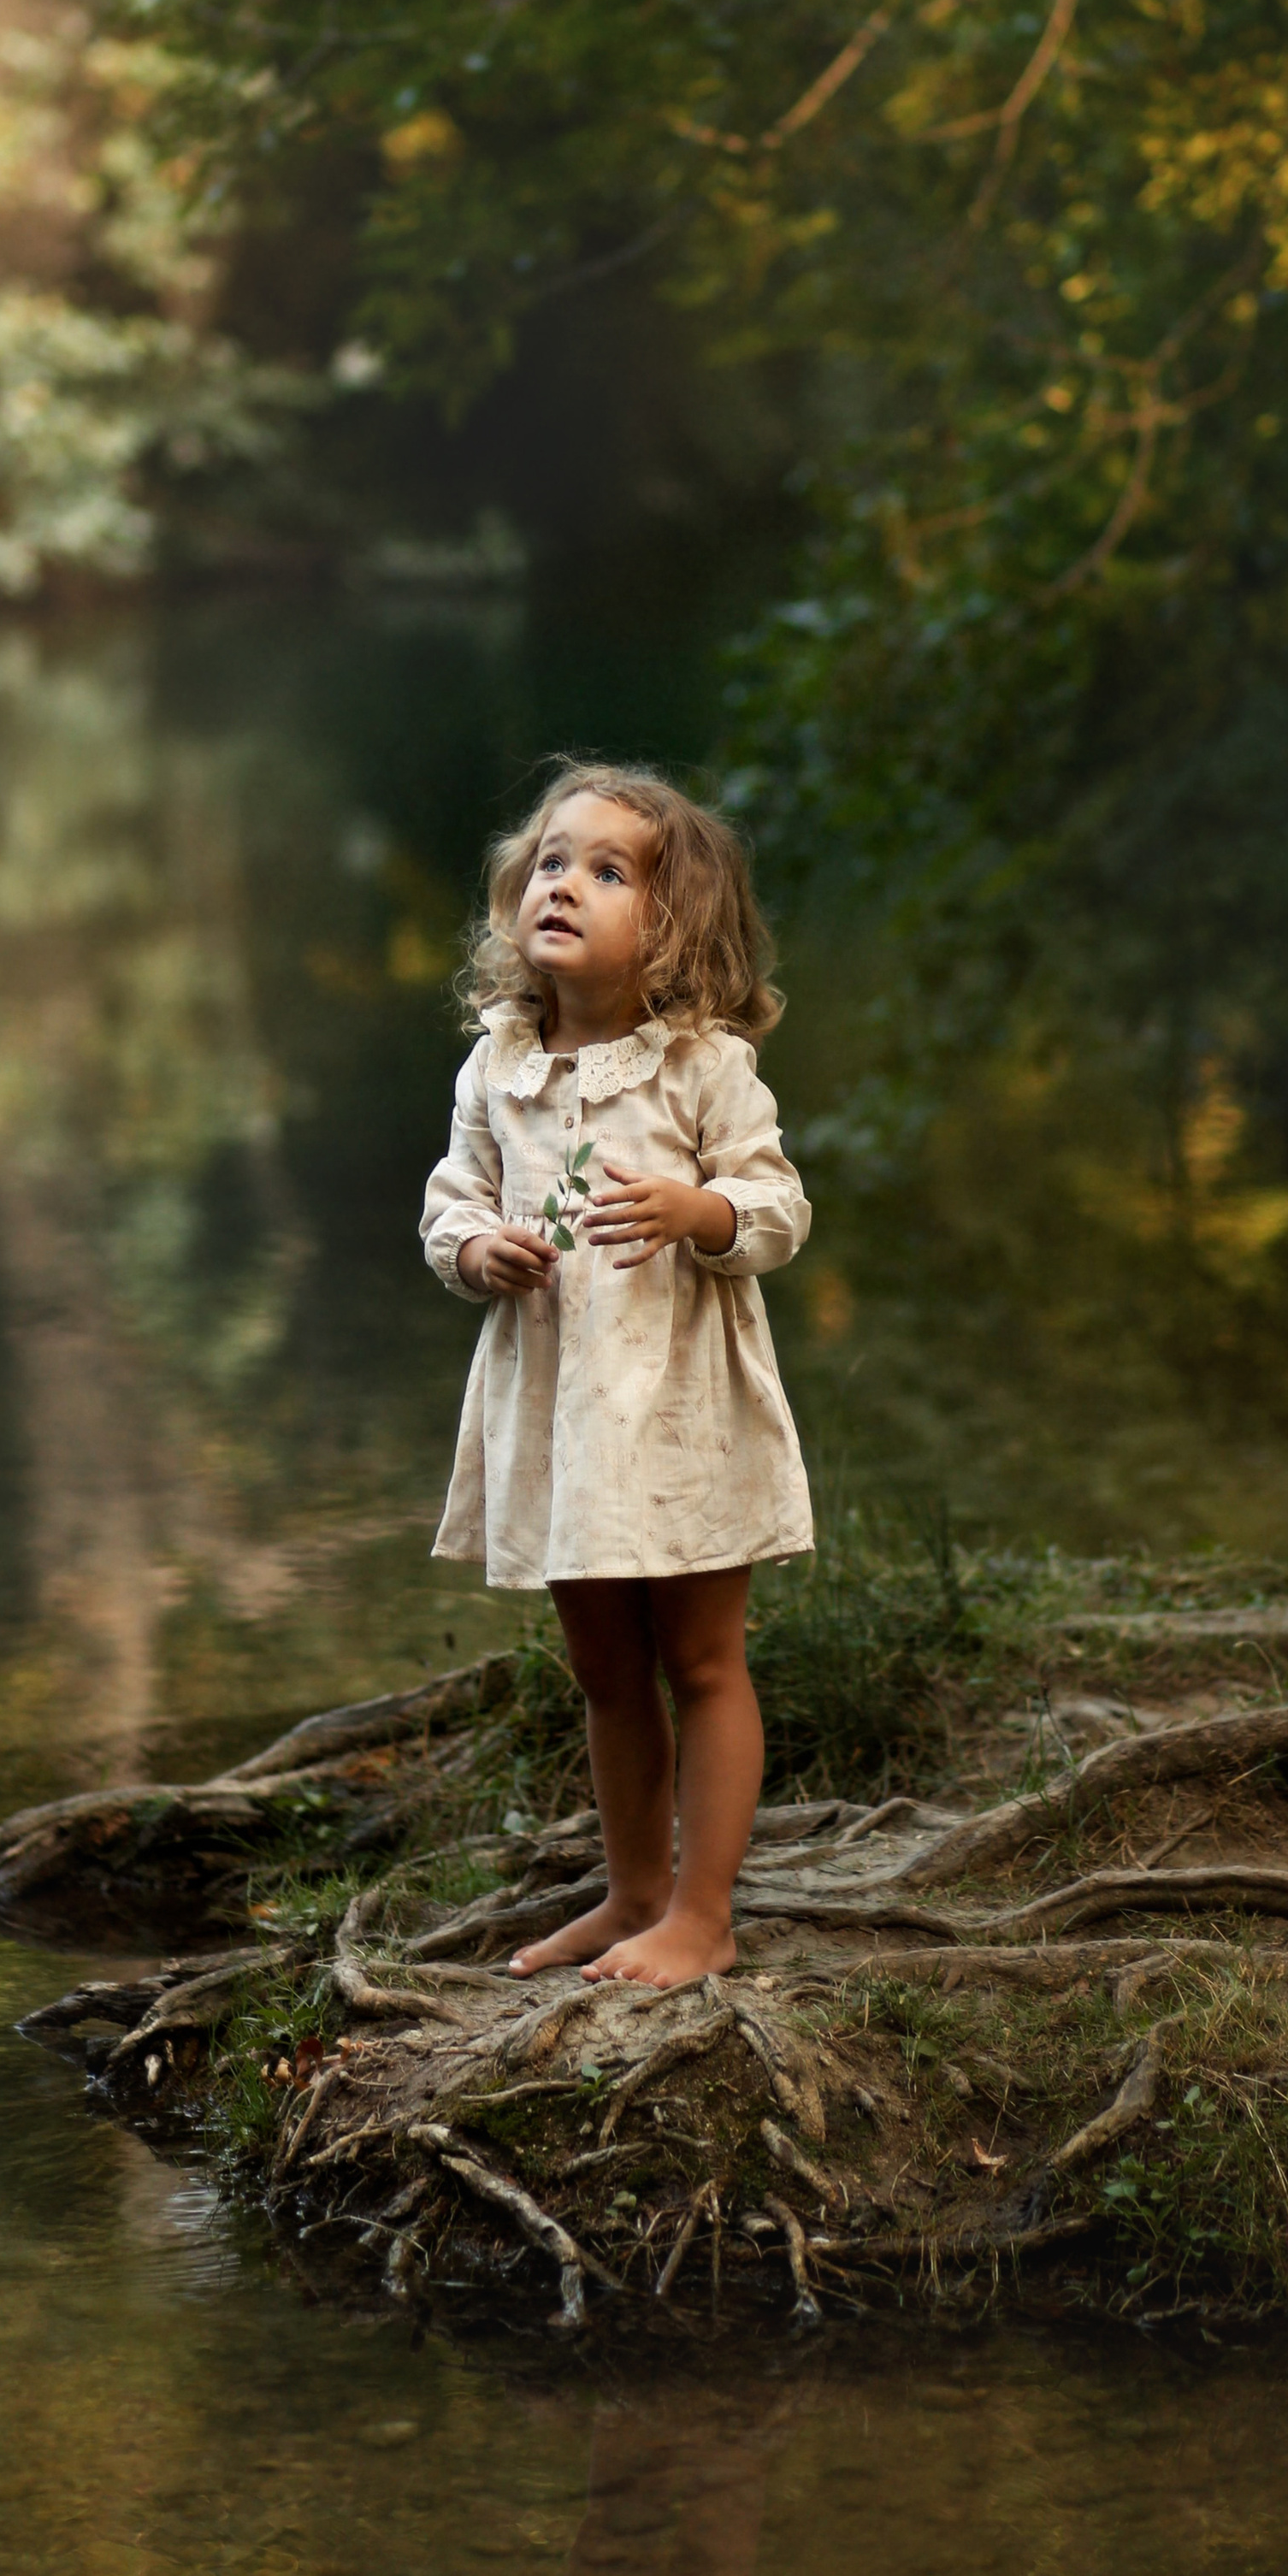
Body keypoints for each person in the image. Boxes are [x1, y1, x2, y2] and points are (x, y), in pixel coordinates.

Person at [420, 759, 812, 1988]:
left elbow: (779, 1208)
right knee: (602, 1667)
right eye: (551, 861)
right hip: (561, 1412)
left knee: (700, 1660)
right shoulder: (496, 1067)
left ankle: (704, 1916)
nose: (566, 885)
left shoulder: (702, 1067)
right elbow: (449, 1206)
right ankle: (633, 1892)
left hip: (684, 1405)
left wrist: (698, 1209)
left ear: (672, 925)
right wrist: (478, 1249)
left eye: (607, 871)